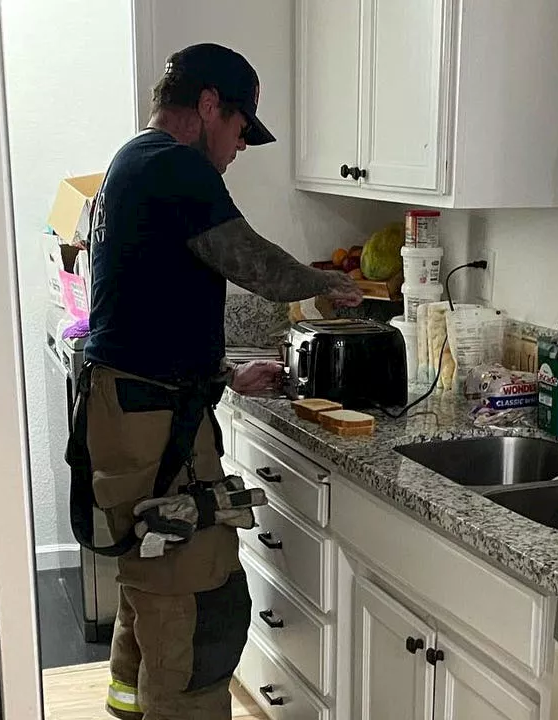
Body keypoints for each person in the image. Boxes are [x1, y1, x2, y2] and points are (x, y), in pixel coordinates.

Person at [75, 43, 361, 720]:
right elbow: (251, 261)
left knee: (155, 571)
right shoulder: (175, 164)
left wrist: (225, 373)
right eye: (238, 130)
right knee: (196, 602)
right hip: (150, 420)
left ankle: (130, 701)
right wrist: (330, 286)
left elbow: (143, 312)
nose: (237, 148)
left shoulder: (130, 161)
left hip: (135, 409)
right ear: (208, 106)